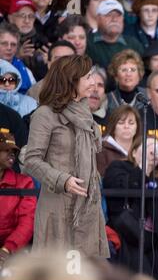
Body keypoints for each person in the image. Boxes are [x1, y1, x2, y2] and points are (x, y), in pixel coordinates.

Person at [24, 55, 109, 258]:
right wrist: (63, 180)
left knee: (87, 274)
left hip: (87, 207)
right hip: (57, 206)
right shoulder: (45, 114)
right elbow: (31, 160)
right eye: (87, 77)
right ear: (71, 80)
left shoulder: (85, 112)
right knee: (57, 274)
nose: (93, 83)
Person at [103, 135, 158, 280]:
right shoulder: (118, 167)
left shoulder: (156, 180)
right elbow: (122, 189)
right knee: (140, 272)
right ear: (133, 152)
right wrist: (143, 167)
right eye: (149, 146)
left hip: (155, 241)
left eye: (157, 148)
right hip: (130, 237)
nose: (153, 151)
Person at [0, 131, 36, 269]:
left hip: (13, 252)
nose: (11, 154)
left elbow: (27, 222)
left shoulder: (24, 182)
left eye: (13, 151)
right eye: (5, 150)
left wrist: (7, 249)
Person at [96, 105, 141, 177]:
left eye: (131, 123)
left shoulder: (142, 149)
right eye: (121, 122)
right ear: (113, 127)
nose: (126, 126)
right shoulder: (100, 150)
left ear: (137, 127)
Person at [106, 48, 148, 115]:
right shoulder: (107, 99)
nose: (128, 74)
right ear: (116, 75)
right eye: (124, 70)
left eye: (132, 70)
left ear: (139, 74)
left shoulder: (148, 96)